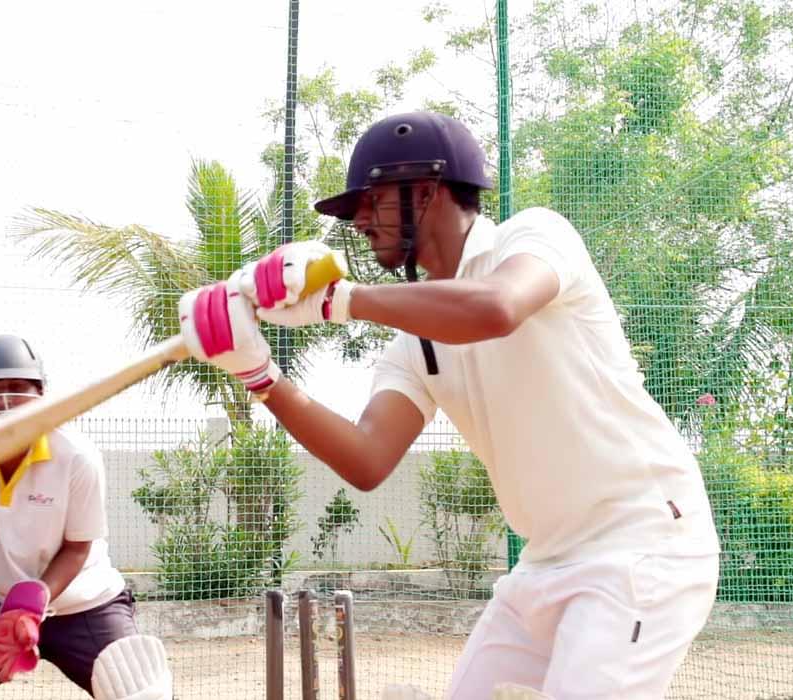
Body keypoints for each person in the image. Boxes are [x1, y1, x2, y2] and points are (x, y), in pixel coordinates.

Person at [177, 111, 720, 699]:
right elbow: (367, 459)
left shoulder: (535, 237)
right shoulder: (413, 341)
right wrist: (260, 376)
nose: (359, 220)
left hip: (642, 547)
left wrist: (344, 301)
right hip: (544, 563)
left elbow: (495, 309)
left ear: (428, 189)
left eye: (373, 199)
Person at [0, 333, 171, 700]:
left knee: (139, 690)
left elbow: (78, 548)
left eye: (16, 387)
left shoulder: (76, 455)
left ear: (40, 393)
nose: (3, 401)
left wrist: (33, 605)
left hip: (82, 602)